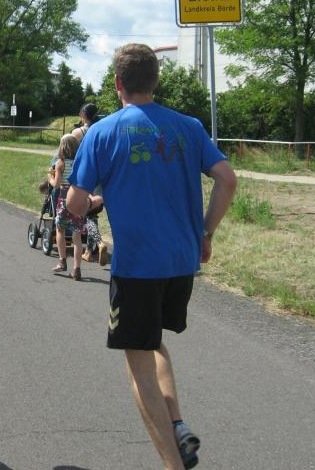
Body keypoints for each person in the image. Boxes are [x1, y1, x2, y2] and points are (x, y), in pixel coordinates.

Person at [66, 44, 237, 470]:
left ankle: (172, 464)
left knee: (137, 360)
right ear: (155, 81)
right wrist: (206, 232)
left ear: (118, 83)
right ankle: (176, 423)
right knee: (152, 340)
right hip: (181, 262)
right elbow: (227, 179)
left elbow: (74, 203)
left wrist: (90, 205)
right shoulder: (189, 126)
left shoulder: (102, 132)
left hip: (137, 266)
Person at [49, 134, 85, 280]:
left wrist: (50, 178)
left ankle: (62, 261)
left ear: (62, 147)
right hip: (78, 199)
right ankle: (77, 269)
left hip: (64, 199)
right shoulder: (81, 162)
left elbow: (57, 184)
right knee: (77, 236)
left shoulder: (60, 163)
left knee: (60, 229)